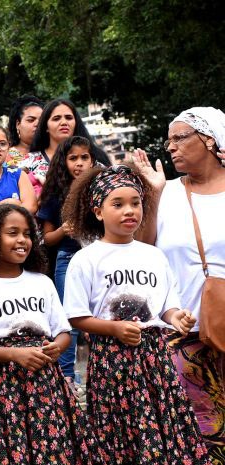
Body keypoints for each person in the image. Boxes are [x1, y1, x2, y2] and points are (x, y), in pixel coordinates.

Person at [62, 164, 211, 464]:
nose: (129, 211)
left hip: (156, 357)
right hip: (112, 360)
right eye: (117, 204)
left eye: (135, 202)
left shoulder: (154, 255)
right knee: (120, 432)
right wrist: (113, 329)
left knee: (165, 424)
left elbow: (166, 306)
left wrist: (177, 318)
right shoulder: (86, 259)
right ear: (98, 211)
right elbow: (76, 317)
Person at [0, 204, 90, 465]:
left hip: (47, 384)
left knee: (56, 449)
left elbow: (63, 331)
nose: (22, 240)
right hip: (7, 387)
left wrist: (57, 346)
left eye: (27, 234)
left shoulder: (42, 282)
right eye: (12, 233)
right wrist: (14, 354)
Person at [135, 106, 225, 463]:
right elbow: (141, 250)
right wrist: (153, 196)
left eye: (180, 138)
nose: (170, 147)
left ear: (208, 139)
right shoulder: (166, 192)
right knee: (201, 430)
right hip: (183, 334)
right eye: (168, 140)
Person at [38, 136, 96, 385]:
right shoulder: (54, 196)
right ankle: (67, 377)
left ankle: (101, 372)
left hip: (99, 258)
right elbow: (47, 239)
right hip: (68, 257)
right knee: (69, 318)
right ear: (63, 163)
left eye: (85, 157)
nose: (80, 163)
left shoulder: (101, 189)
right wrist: (64, 230)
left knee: (101, 314)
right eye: (73, 158)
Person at [21, 98, 110, 196]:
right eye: (56, 118)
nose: (64, 122)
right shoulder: (28, 162)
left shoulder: (95, 161)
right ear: (45, 126)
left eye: (68, 118)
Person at [6, 95, 43, 168]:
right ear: (18, 124)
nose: (37, 124)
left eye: (42, 121)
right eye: (31, 120)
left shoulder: (52, 154)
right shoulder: (5, 155)